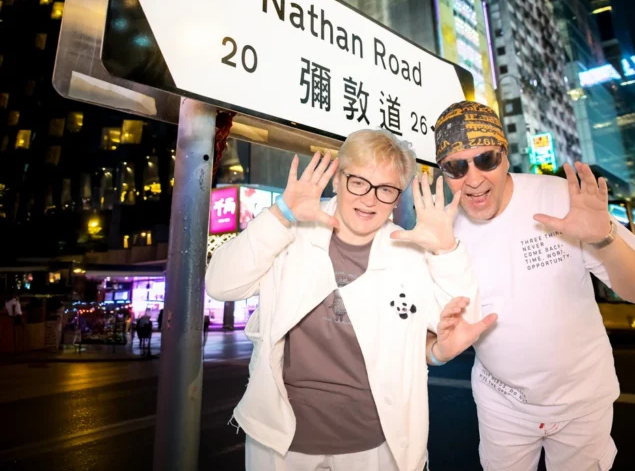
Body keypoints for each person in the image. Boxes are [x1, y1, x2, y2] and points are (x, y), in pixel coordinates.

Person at [206, 129, 496, 471]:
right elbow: (221, 285)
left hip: (374, 444)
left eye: (385, 189)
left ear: (397, 197)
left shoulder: (408, 254)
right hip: (282, 442)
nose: (370, 199)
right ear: (338, 179)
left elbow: (461, 322)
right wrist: (281, 213)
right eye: (358, 182)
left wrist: (447, 249)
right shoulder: (292, 234)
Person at [431, 100, 635, 471]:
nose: (473, 179)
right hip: (501, 404)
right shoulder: (445, 230)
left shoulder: (560, 198)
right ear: (444, 171)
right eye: (456, 167)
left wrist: (605, 237)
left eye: (486, 160)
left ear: (504, 155)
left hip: (583, 401)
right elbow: (427, 329)